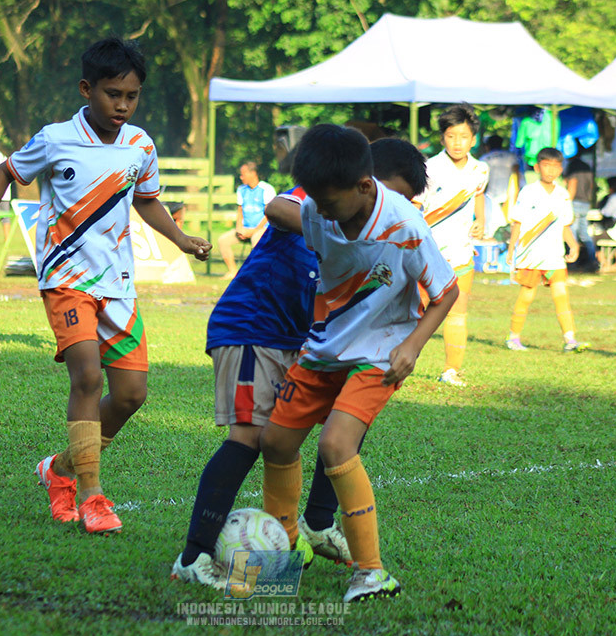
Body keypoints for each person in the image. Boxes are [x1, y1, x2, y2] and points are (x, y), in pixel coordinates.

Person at [0, 37, 211, 535]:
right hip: (67, 280)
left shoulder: (141, 146)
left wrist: (181, 239)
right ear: (86, 89)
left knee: (131, 395)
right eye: (113, 94)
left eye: (132, 96)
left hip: (119, 284)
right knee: (88, 379)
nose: (122, 105)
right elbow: (5, 173)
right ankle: (92, 495)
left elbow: (146, 200)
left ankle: (60, 469)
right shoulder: (56, 139)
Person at [170, 137, 430, 588]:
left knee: (344, 425)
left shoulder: (385, 228)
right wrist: (333, 225)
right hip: (254, 327)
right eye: (393, 194)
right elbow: (276, 208)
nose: (395, 207)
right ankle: (193, 557)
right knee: (250, 437)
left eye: (406, 201)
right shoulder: (327, 197)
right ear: (363, 181)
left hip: (305, 341)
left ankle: (316, 523)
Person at [258, 124, 458, 603]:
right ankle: (284, 554)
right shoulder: (317, 209)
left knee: (336, 444)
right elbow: (288, 215)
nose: (320, 211)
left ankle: (372, 573)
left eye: (329, 202)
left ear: (365, 186)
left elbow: (446, 292)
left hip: (380, 353)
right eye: (315, 201)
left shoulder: (406, 227)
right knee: (276, 442)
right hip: (325, 345)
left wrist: (412, 346)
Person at [416, 103, 488, 387]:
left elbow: (478, 196)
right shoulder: (429, 168)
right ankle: (389, 362)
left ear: (473, 139)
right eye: (451, 136)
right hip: (427, 254)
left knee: (457, 313)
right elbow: (415, 206)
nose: (457, 143)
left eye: (463, 136)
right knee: (413, 311)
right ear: (442, 138)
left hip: (461, 253)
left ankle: (451, 371)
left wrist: (481, 220)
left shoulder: (480, 170)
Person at [504, 147, 586, 354]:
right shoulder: (528, 192)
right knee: (526, 296)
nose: (551, 170)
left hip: (554, 255)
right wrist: (511, 248)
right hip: (530, 255)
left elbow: (565, 224)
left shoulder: (563, 194)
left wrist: (573, 244)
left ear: (561, 169)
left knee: (561, 296)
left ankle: (570, 339)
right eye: (547, 166)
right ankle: (513, 337)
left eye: (555, 166)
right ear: (537, 167)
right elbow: (517, 222)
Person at [218, 162, 275, 279]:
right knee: (223, 240)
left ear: (253, 173)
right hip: (245, 228)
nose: (241, 177)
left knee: (256, 239)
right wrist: (239, 228)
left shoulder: (266, 189)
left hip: (262, 229)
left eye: (243, 174)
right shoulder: (241, 189)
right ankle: (233, 271)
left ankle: (256, 274)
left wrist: (254, 231)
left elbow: (269, 214)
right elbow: (240, 211)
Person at [479, 135, 524, 220]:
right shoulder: (511, 157)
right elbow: (516, 176)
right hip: (509, 198)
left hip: (490, 198)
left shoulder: (484, 159)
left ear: (487, 146)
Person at [564, 156, 597, 269]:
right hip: (585, 203)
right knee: (585, 234)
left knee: (572, 234)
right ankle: (593, 260)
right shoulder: (587, 167)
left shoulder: (573, 166)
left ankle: (572, 262)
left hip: (575, 202)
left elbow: (572, 183)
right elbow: (591, 186)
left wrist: (567, 202)